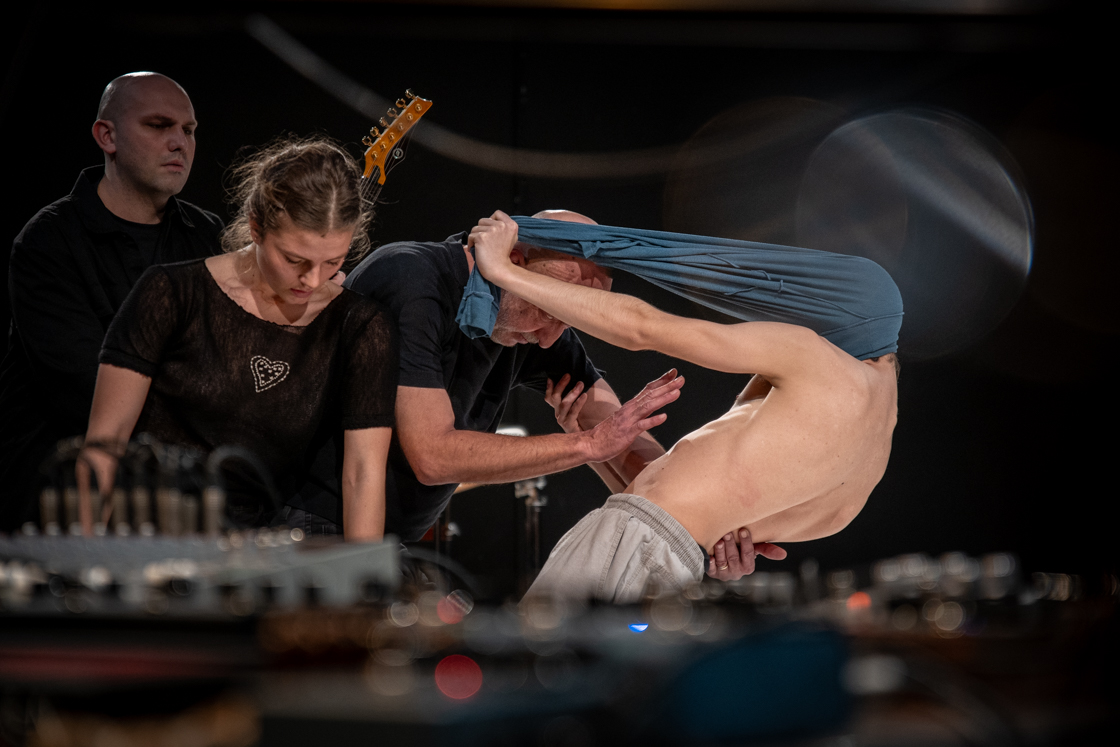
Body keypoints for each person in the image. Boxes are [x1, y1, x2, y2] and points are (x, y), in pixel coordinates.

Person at [468, 211, 901, 603]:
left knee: (534, 677)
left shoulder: (816, 358)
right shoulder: (861, 481)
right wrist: (592, 448)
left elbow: (644, 328)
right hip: (676, 576)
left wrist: (503, 271)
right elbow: (683, 517)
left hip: (634, 546)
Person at [288, 210, 696, 554]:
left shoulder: (530, 317)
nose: (551, 336)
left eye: (569, 319)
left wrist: (707, 525)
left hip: (391, 542)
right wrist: (587, 445)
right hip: (310, 527)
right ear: (510, 263)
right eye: (549, 309)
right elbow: (432, 456)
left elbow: (622, 433)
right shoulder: (411, 278)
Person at [80, 138, 396, 540]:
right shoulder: (171, 293)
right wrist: (84, 564)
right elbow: (104, 446)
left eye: (332, 262)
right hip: (145, 532)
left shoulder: (361, 326)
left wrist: (360, 589)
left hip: (253, 545)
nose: (313, 280)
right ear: (256, 227)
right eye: (294, 260)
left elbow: (362, 474)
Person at [0, 72, 221, 531]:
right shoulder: (47, 242)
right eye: (160, 125)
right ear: (107, 136)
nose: (180, 142)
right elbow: (86, 391)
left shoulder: (208, 236)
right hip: (62, 510)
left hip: (180, 507)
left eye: (189, 129)